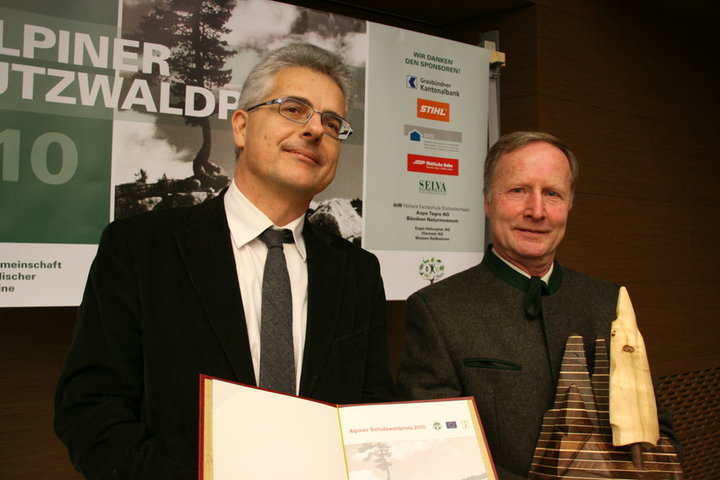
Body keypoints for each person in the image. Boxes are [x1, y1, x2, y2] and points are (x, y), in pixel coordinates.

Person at [54, 43, 395, 479]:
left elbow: (370, 408)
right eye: (294, 109)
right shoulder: (141, 248)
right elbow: (91, 407)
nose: (315, 130)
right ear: (240, 126)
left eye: (332, 123)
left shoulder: (357, 271)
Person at [396, 131, 675, 480]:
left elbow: (654, 424)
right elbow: (437, 450)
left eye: (553, 194)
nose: (537, 211)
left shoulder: (608, 302)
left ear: (569, 205)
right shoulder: (438, 310)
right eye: (518, 190)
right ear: (487, 201)